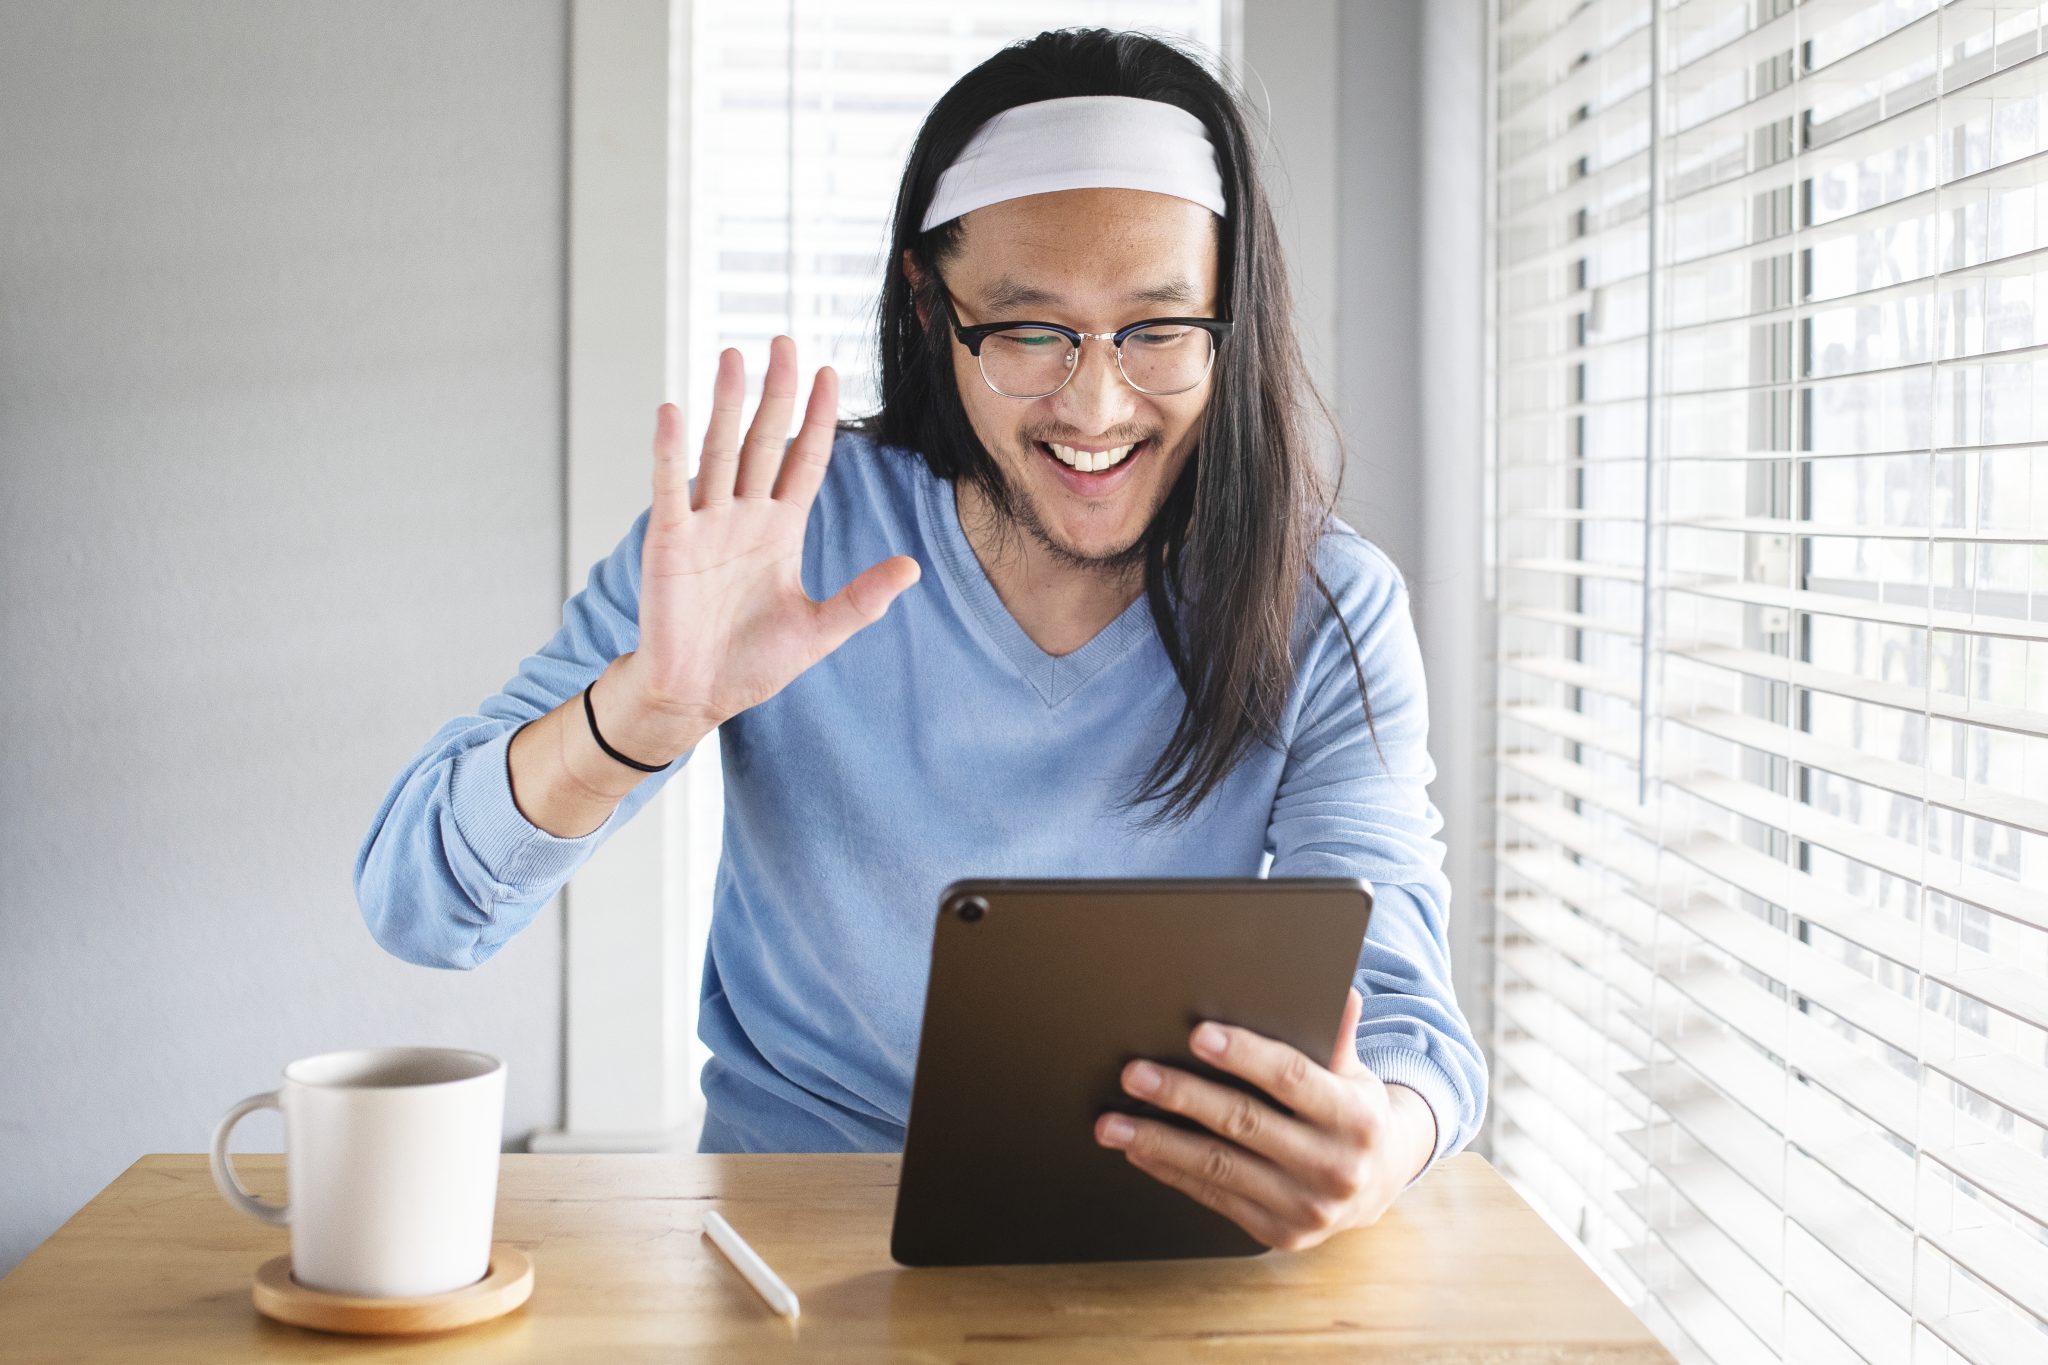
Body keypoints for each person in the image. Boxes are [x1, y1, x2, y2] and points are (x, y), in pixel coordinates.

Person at [356, 27, 1485, 1252]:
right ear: (927, 307)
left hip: (1160, 1235)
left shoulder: (1324, 602)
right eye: (1025, 331)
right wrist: (648, 710)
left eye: (1157, 330)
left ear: (1231, 314)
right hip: (796, 1232)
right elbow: (419, 907)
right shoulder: (765, 540)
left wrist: (1382, 1137)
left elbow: (1413, 1031)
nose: (1095, 406)